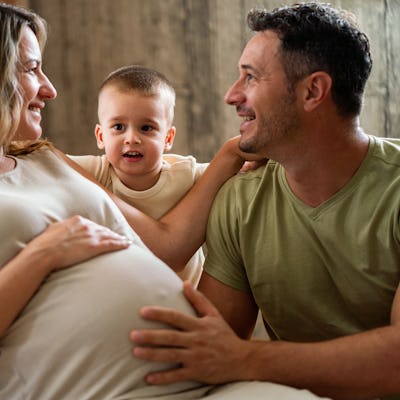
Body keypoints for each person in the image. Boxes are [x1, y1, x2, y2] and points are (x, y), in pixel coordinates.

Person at [0, 3, 328, 399]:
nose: (50, 88)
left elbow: (165, 246)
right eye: (31, 68)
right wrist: (45, 254)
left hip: (205, 375)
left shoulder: (45, 158)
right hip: (109, 388)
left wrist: (232, 157)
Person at [130, 3, 400, 400]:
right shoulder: (239, 200)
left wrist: (246, 358)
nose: (231, 95)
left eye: (250, 78)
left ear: (313, 91)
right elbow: (210, 344)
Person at [69, 65, 208, 286]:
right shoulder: (97, 171)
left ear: (168, 138)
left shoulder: (187, 173)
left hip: (187, 302)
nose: (131, 138)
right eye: (118, 127)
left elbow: (232, 170)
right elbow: (46, 159)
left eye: (146, 128)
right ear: (100, 135)